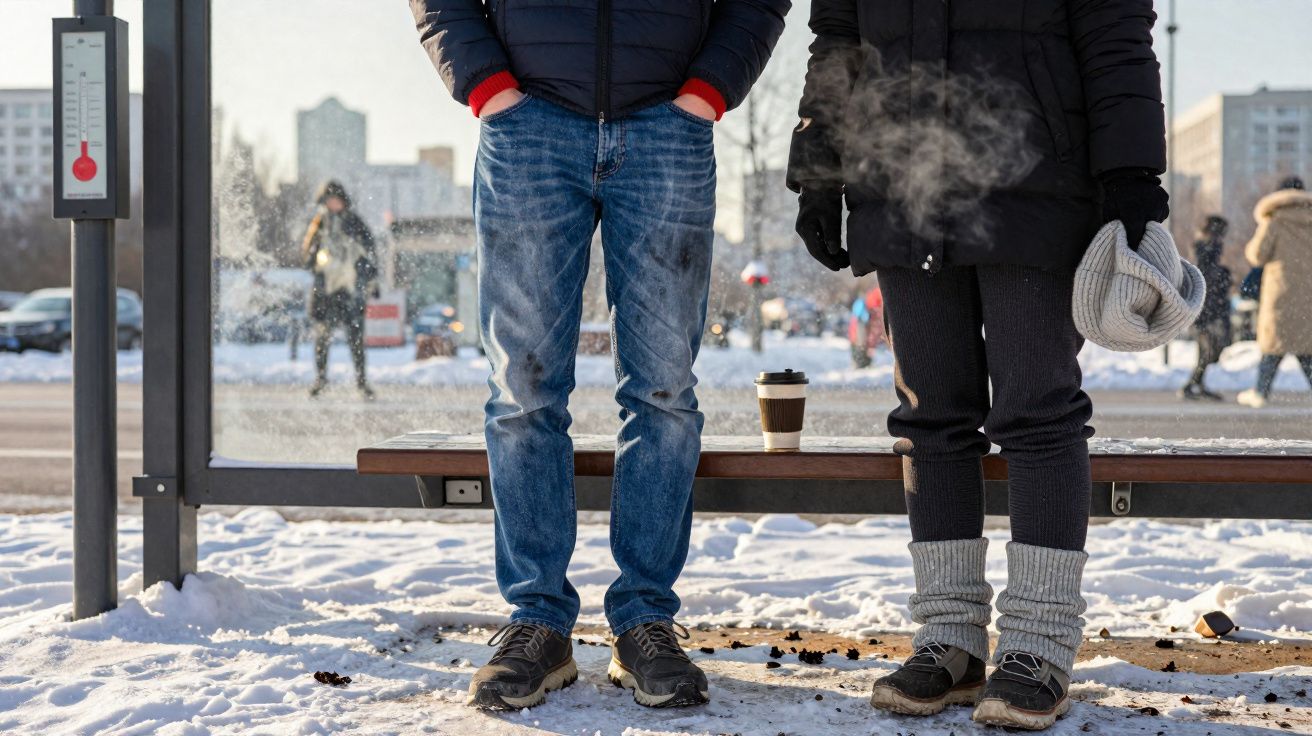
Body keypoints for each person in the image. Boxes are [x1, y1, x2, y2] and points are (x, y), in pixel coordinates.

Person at [788, 0, 1166, 729]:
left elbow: (1115, 32)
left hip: (1036, 184)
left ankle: (1038, 645)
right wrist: (820, 169)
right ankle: (949, 640)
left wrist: (1132, 176)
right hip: (901, 186)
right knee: (930, 418)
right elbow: (837, 37)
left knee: (1038, 410)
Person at [410, 0, 788, 711]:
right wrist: (489, 88)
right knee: (522, 391)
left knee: (664, 391)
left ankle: (644, 619)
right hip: (528, 125)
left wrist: (707, 93)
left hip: (669, 127)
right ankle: (537, 622)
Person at [1237, 176, 1312, 408]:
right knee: (1306, 346)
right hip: (1309, 295)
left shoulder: (1275, 221)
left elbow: (1257, 255)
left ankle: (1260, 391)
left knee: (1273, 345)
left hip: (1280, 293)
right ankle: (1261, 390)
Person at [300, 180, 377, 400]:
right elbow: (307, 256)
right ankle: (321, 379)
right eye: (329, 200)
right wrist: (318, 262)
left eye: (336, 200)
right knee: (323, 339)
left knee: (356, 340)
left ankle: (361, 382)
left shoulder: (354, 222)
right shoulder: (319, 224)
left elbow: (369, 252)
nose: (333, 204)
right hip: (326, 292)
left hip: (350, 291)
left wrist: (368, 278)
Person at [1181, 216, 1233, 401]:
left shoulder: (1208, 247)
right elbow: (1204, 273)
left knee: (1209, 349)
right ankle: (1192, 385)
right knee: (1209, 348)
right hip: (1206, 307)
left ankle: (1195, 383)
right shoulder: (1205, 248)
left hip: (1207, 306)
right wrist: (1222, 276)